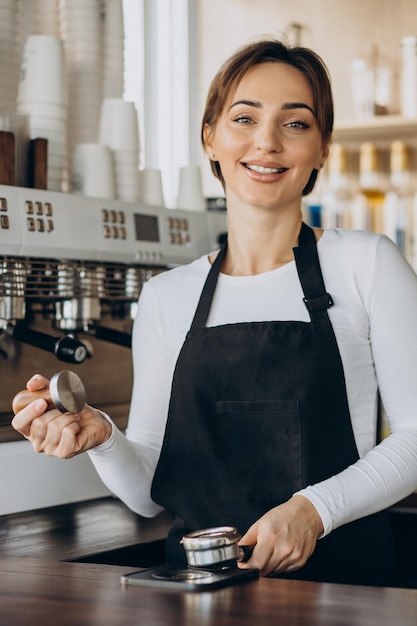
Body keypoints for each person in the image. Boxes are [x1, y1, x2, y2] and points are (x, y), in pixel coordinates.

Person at [12, 37, 417, 587]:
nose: (267, 142)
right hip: (201, 595)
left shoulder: (367, 263)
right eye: (244, 118)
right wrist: (101, 437)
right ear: (211, 137)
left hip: (343, 589)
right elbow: (149, 493)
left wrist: (313, 511)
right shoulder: (167, 295)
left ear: (322, 148)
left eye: (296, 124)